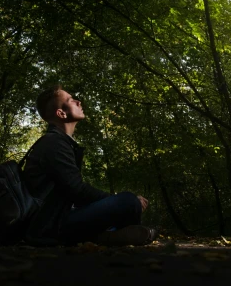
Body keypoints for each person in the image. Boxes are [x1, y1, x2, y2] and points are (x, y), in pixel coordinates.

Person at [22, 84, 155, 246]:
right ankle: (104, 236)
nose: (78, 102)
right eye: (71, 100)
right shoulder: (54, 143)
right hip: (51, 225)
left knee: (127, 202)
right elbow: (77, 190)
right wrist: (119, 200)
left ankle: (106, 235)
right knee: (129, 201)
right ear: (61, 113)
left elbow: (73, 194)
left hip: (61, 217)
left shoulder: (59, 142)